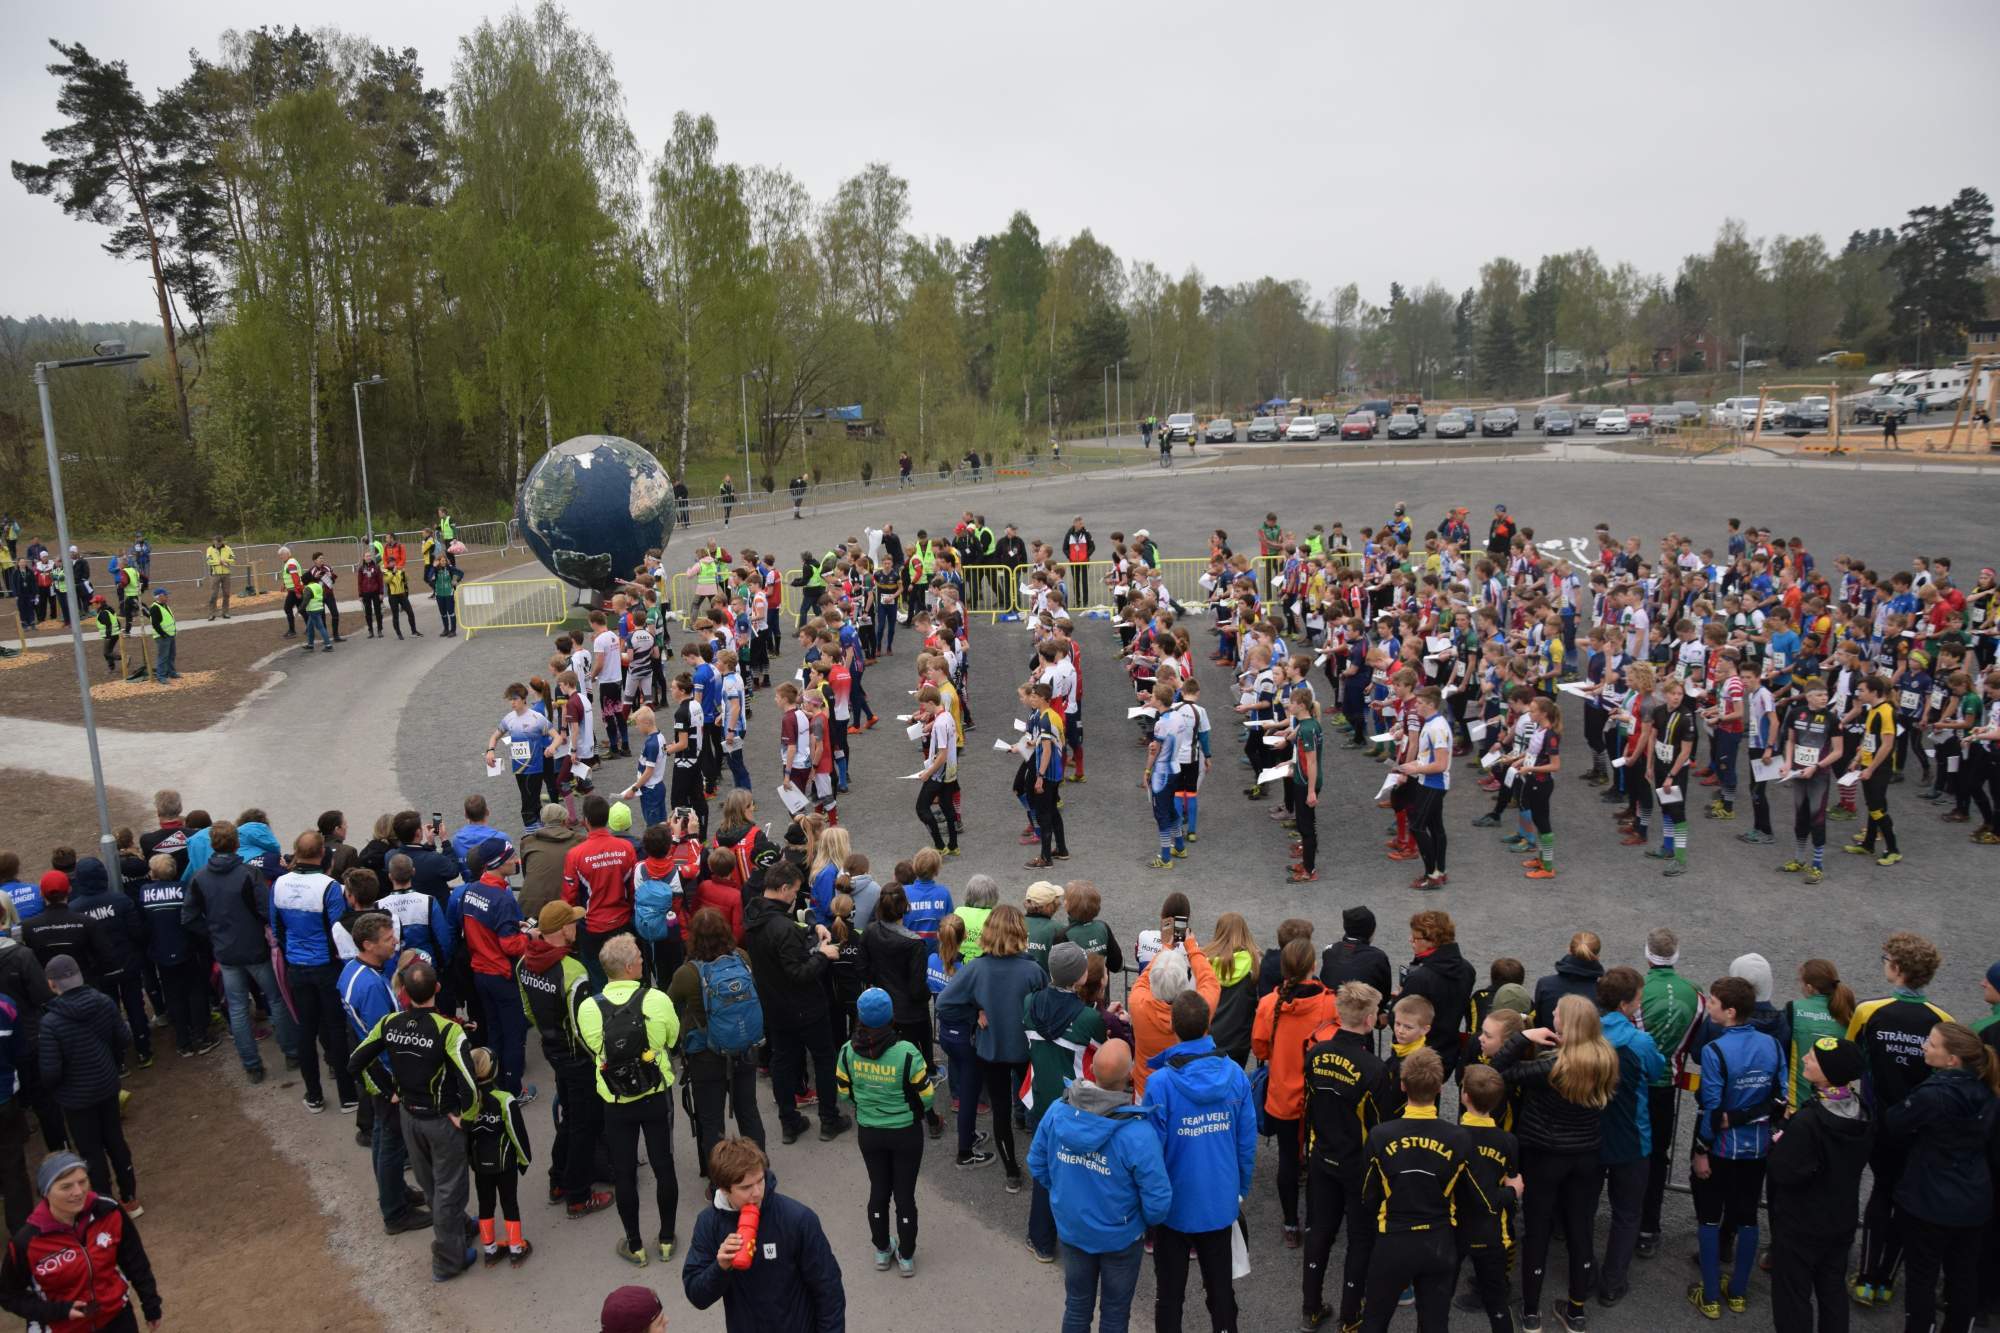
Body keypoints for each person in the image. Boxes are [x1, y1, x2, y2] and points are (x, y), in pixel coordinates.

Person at [1490, 993, 1620, 1333]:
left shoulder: (1554, 1066)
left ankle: (1531, 1312)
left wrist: (1522, 1038)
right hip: (1586, 1154)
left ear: (1568, 1023)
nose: (1552, 1015)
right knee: (1581, 1230)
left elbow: (1497, 1073)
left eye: (1558, 1014)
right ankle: (1576, 1310)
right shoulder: (1606, 1057)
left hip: (1545, 1154)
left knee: (1538, 1229)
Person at [347, 956, 481, 1282]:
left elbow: (355, 1061)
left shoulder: (389, 1022)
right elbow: (469, 1082)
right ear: (437, 987)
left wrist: (387, 1087)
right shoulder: (449, 1030)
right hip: (441, 1122)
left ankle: (459, 1227)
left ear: (403, 992)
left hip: (409, 1117)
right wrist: (466, 1118)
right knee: (450, 1188)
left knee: (431, 1183)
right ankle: (448, 1261)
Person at [1027, 1039, 1170, 1333]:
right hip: (1121, 1236)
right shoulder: (1138, 1134)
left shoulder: (1057, 1111)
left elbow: (1037, 1163)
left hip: (1073, 1229)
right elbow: (1158, 1200)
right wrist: (1141, 1222)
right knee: (1115, 1313)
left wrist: (1061, 1196)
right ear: (1130, 1074)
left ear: (1090, 1068)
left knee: (1077, 1306)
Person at [1847, 930, 1952, 1307]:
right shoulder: (1943, 1020)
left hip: (1877, 1122)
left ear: (1897, 968)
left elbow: (1851, 1057)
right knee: (1904, 1198)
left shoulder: (1869, 1010)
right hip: (1919, 1128)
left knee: (1880, 1192)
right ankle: (1885, 1279)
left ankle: (1864, 1277)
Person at [1142, 990, 1257, 1333]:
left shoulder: (1160, 1083)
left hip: (1173, 1207)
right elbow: (1245, 1141)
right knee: (1221, 1292)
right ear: (1209, 1024)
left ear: (1172, 1030)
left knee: (1169, 1295)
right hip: (1219, 1202)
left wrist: (1150, 1204)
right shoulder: (1235, 1074)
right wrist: (1239, 1189)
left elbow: (1151, 1152)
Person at [1881, 1022, 1998, 1333]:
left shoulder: (1932, 1095)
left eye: (1932, 1044)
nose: (1924, 1048)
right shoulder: (1989, 1092)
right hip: (1973, 1200)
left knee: (1922, 1277)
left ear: (1952, 1060)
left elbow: (1895, 1123)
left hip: (1928, 1200)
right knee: (1963, 1276)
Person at [1358, 1046, 1481, 1333]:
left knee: (1374, 1321)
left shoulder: (1380, 1135)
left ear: (1402, 1086)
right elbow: (1472, 1197)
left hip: (1393, 1241)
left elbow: (1367, 1194)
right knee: (1435, 1324)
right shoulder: (1459, 1137)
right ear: (1439, 1088)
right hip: (1438, 1241)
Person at [1300, 980, 1399, 1332]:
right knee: (1360, 1239)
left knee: (1320, 1233)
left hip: (1322, 1158)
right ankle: (1350, 1316)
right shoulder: (1374, 1070)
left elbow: (1309, 1107)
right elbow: (1381, 1127)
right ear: (1371, 1020)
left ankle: (1311, 1307)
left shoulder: (1316, 1055)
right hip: (1359, 1168)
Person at [578, 932, 682, 1266]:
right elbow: (671, 1038)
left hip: (615, 1098)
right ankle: (666, 1238)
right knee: (663, 1164)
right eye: (638, 956)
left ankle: (635, 1244)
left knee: (623, 1171)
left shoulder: (589, 1008)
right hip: (654, 1093)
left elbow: (594, 1047)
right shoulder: (656, 1000)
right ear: (628, 967)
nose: (641, 959)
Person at [1686, 975, 1783, 1320]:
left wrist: (1700, 1151)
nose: (1707, 1006)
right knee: (1746, 1217)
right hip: (1756, 1150)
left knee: (1710, 1219)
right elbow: (1780, 1098)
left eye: (1711, 1001)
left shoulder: (1715, 1050)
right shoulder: (1772, 1045)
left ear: (1729, 1011)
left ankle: (1710, 1295)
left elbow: (1712, 1109)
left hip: (1720, 1151)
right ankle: (1738, 1293)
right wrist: (1746, 1116)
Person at [683, 1137, 846, 1332]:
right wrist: (720, 1268)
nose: (757, 1192)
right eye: (745, 1187)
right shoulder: (709, 1223)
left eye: (760, 1180)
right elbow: (697, 1296)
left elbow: (829, 1289)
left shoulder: (797, 1218)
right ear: (725, 1189)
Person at [935, 904, 1046, 1191]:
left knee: (1000, 1112)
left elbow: (945, 1003)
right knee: (1037, 1106)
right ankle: (1045, 1163)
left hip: (991, 1050)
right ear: (1020, 932)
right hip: (1026, 1052)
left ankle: (1011, 1172)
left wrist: (975, 1013)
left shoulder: (976, 968)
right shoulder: (1033, 970)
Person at [1767, 1036, 1873, 1333]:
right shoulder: (1861, 1109)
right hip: (1841, 1217)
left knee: (1793, 1295)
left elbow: (1783, 1171)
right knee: (1831, 1289)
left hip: (1803, 1222)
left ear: (1828, 1072)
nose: (1804, 1060)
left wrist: (1779, 1142)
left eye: (1812, 1058)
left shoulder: (1809, 1121)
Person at [182, 821, 299, 1084]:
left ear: (213, 844)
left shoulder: (200, 877)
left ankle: (252, 1066)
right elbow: (264, 910)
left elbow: (188, 917)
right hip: (255, 948)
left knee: (237, 1008)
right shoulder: (248, 874)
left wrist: (212, 932)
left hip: (225, 952)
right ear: (236, 843)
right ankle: (291, 1052)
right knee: (276, 999)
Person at [743, 862, 850, 1147]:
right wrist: (823, 955)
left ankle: (788, 1121)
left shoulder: (754, 915)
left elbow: (784, 946)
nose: (795, 897)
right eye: (793, 891)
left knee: (783, 1061)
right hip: (805, 1006)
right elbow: (799, 973)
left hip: (774, 1006)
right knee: (824, 1059)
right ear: (783, 888)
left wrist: (811, 928)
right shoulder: (781, 927)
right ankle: (829, 1119)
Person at [339, 912, 432, 1236]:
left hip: (373, 1070)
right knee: (392, 1141)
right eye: (388, 939)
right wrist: (401, 1080)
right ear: (368, 944)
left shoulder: (353, 970)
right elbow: (386, 1038)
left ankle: (396, 1193)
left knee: (382, 1135)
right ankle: (395, 1212)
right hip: (387, 1074)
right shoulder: (371, 986)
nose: (395, 943)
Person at [0, 1151, 162, 1332]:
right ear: (46, 1192)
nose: (78, 1192)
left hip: (117, 1318)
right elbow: (8, 1296)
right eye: (66, 1186)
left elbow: (135, 1260)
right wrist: (58, 1311)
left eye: (83, 1182)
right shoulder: (26, 1242)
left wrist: (151, 1304)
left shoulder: (108, 1210)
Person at [835, 986, 935, 1276]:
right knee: (905, 1195)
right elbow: (926, 1095)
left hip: (869, 1131)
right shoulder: (906, 1052)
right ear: (892, 1017)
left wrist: (867, 1104)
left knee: (879, 1189)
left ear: (860, 1017)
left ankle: (882, 1249)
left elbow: (844, 1093)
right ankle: (906, 1256)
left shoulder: (846, 1052)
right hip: (905, 1132)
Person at [668, 906, 767, 1183]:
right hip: (744, 1047)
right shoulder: (742, 959)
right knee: (749, 1111)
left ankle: (719, 1182)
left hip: (705, 1056)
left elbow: (669, 1003)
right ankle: (759, 1172)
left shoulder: (688, 973)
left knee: (711, 1121)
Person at [36, 957, 140, 1216]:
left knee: (90, 1152)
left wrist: (57, 1089)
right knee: (115, 1140)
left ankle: (105, 1206)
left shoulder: (50, 1022)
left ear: (51, 984)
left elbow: (50, 1071)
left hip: (76, 1099)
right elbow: (123, 1038)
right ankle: (130, 1198)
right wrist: (111, 1065)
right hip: (106, 1086)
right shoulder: (104, 1002)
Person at [1252, 937, 1338, 1247]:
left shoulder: (1268, 1004)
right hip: (1320, 1096)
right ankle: (1317, 1222)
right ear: (1313, 966)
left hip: (1282, 1095)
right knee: (1318, 1161)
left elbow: (1259, 1046)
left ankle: (1290, 1223)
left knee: (1288, 1160)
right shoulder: (1329, 1003)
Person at [272, 830, 359, 1115]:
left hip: (297, 966)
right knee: (335, 1028)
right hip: (325, 966)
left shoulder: (280, 884)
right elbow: (337, 928)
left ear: (296, 852)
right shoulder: (329, 887)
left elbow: (277, 927)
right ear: (322, 853)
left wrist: (292, 953)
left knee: (306, 1029)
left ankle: (314, 1095)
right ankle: (348, 1096)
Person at [1593, 966, 1664, 1305]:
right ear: (1624, 1005)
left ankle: (1581, 1269)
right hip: (1632, 1139)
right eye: (1638, 999)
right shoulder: (1639, 1041)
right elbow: (1657, 1070)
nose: (1640, 1004)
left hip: (1588, 1135)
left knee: (1583, 1207)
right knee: (1626, 1214)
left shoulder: (1585, 1032)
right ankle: (1612, 1282)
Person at [466, 1047, 534, 1266]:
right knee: (509, 1203)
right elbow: (517, 1133)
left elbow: (466, 1134)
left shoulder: (467, 1100)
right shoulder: (505, 1099)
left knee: (485, 1204)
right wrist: (524, 1160)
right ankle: (515, 1248)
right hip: (504, 1164)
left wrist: (471, 1160)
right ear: (494, 1069)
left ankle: (490, 1251)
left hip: (480, 1164)